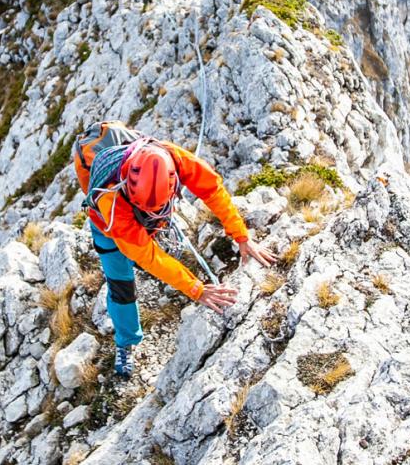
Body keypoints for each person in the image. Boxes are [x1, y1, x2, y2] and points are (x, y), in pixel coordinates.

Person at [73, 124, 277, 377]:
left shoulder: (174, 158)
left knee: (154, 239)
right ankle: (126, 342)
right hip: (108, 229)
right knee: (121, 285)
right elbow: (148, 256)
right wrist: (196, 289)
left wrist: (242, 236)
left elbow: (212, 190)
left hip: (143, 216)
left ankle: (156, 228)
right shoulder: (110, 201)